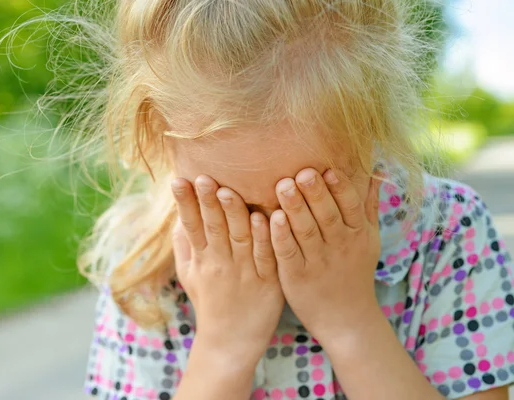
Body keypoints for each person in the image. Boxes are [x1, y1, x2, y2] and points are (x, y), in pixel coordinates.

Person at [44, 1, 514, 399]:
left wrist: (350, 323)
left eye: (312, 202)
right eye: (232, 209)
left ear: (375, 126)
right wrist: (224, 346)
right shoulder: (144, 268)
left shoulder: (446, 231)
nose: (278, 241)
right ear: (156, 137)